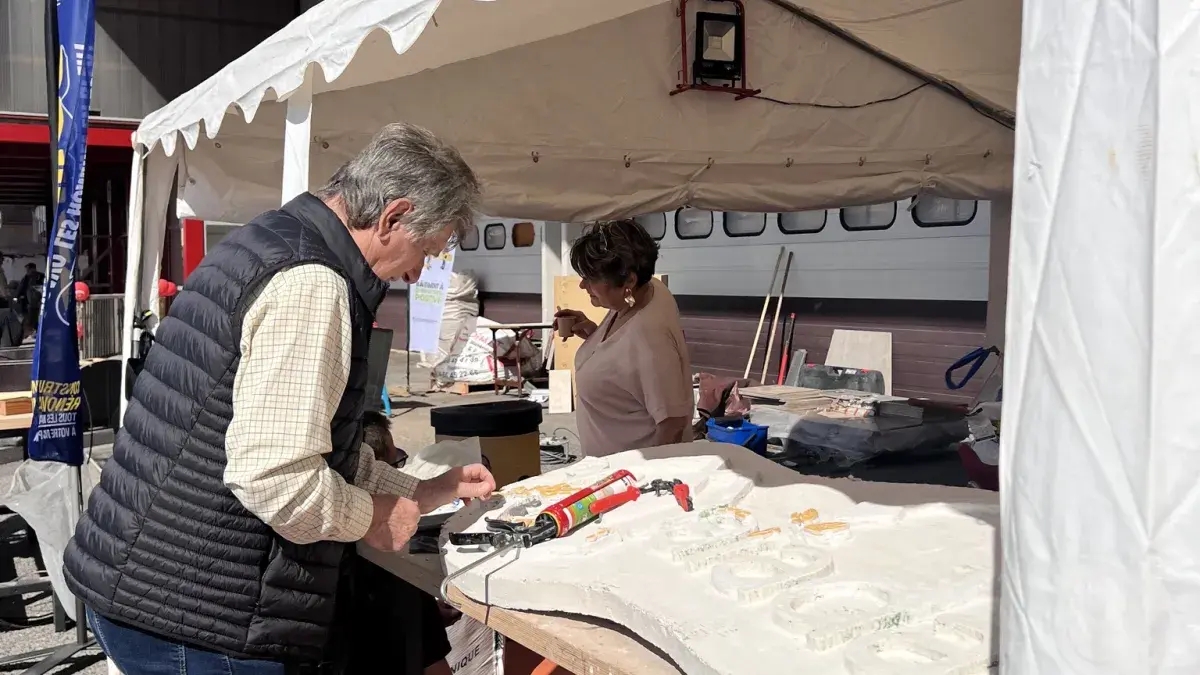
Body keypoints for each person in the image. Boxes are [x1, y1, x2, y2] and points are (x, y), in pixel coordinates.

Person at [63, 122, 495, 674]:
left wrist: (424, 490)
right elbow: (275, 477)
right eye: (425, 251)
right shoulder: (312, 283)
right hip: (200, 612)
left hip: (150, 582)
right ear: (392, 217)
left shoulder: (272, 237)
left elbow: (311, 443)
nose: (417, 273)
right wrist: (372, 516)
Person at [554, 220, 694, 457]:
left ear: (628, 281)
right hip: (608, 469)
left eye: (591, 278)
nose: (582, 284)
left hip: (628, 479)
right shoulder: (650, 290)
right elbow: (626, 363)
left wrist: (649, 479)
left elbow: (673, 423)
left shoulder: (651, 337)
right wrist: (592, 332)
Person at [348, 411, 457, 675]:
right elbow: (435, 667)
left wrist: (430, 613)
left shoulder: (323, 557)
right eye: (397, 463)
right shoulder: (396, 574)